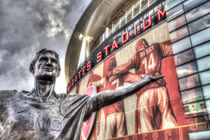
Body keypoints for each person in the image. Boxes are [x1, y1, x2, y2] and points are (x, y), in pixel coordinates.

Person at [0, 48, 162, 140]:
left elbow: (110, 95)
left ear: (57, 73)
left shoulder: (73, 104)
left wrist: (143, 81)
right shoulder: (9, 99)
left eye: (53, 61)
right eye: (43, 59)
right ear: (32, 68)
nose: (49, 63)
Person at [111, 39, 177, 132]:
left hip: (144, 92)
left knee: (146, 125)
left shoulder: (136, 56)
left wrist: (114, 71)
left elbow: (123, 67)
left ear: (138, 48)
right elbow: (172, 49)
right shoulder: (156, 46)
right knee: (167, 116)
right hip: (160, 88)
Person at [88, 56, 126, 139]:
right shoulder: (121, 76)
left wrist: (91, 80)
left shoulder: (105, 80)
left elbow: (91, 85)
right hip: (120, 112)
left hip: (111, 114)